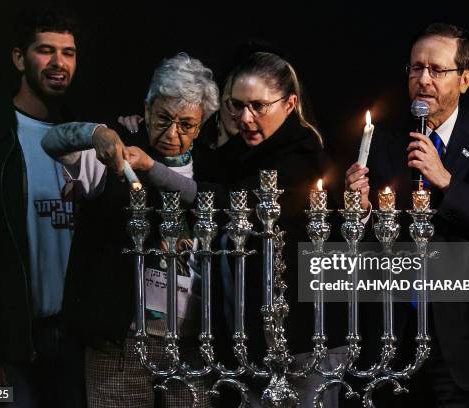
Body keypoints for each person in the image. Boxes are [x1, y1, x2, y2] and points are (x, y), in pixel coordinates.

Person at [120, 51, 346, 407]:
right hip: (246, 342)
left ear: (290, 104)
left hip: (303, 342)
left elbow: (224, 199)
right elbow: (199, 162)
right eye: (236, 106)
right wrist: (141, 128)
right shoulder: (242, 151)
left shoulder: (303, 157)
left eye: (258, 106)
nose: (246, 118)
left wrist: (150, 166)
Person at [344, 23, 469, 407]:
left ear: (465, 79)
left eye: (436, 70)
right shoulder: (384, 142)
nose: (423, 79)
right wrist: (358, 213)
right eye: (415, 68)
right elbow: (372, 245)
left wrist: (446, 181)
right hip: (393, 341)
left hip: (465, 344)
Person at [42, 52, 220, 408]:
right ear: (147, 107)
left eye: (186, 124)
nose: (172, 134)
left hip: (191, 343)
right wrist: (96, 132)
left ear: (201, 126)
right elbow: (52, 142)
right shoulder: (116, 153)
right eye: (163, 118)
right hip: (118, 343)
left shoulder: (212, 170)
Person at [0, 5, 86, 407]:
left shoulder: (85, 137)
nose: (58, 63)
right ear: (19, 58)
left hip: (74, 341)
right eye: (45, 51)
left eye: (68, 52)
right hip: (11, 343)